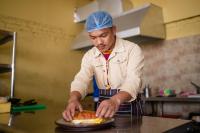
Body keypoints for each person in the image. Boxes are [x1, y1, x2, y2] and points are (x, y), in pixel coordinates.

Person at [62, 11, 144, 121]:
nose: (99, 42)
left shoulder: (132, 50)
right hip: (102, 110)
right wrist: (73, 99)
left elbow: (133, 81)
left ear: (114, 30)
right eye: (93, 37)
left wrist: (115, 100)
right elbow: (81, 79)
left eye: (103, 35)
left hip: (129, 109)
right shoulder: (90, 55)